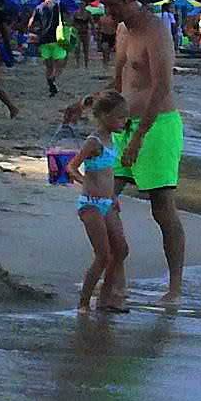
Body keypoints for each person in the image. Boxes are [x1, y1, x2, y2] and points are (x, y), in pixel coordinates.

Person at [91, 0, 187, 301]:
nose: (107, 10)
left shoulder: (156, 31)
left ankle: (175, 287)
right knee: (103, 199)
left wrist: (140, 136)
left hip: (158, 126)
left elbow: (161, 87)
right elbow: (119, 83)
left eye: (112, 3)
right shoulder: (121, 31)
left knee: (162, 209)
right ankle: (117, 272)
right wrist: (89, 106)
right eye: (104, 4)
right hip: (123, 126)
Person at [55, 88, 134, 312]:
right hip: (90, 203)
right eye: (119, 117)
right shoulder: (94, 141)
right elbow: (71, 166)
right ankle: (83, 303)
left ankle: (105, 299)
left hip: (107, 203)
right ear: (104, 116)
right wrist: (83, 181)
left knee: (121, 250)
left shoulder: (113, 140)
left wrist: (111, 196)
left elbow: (108, 173)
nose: (123, 121)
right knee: (103, 254)